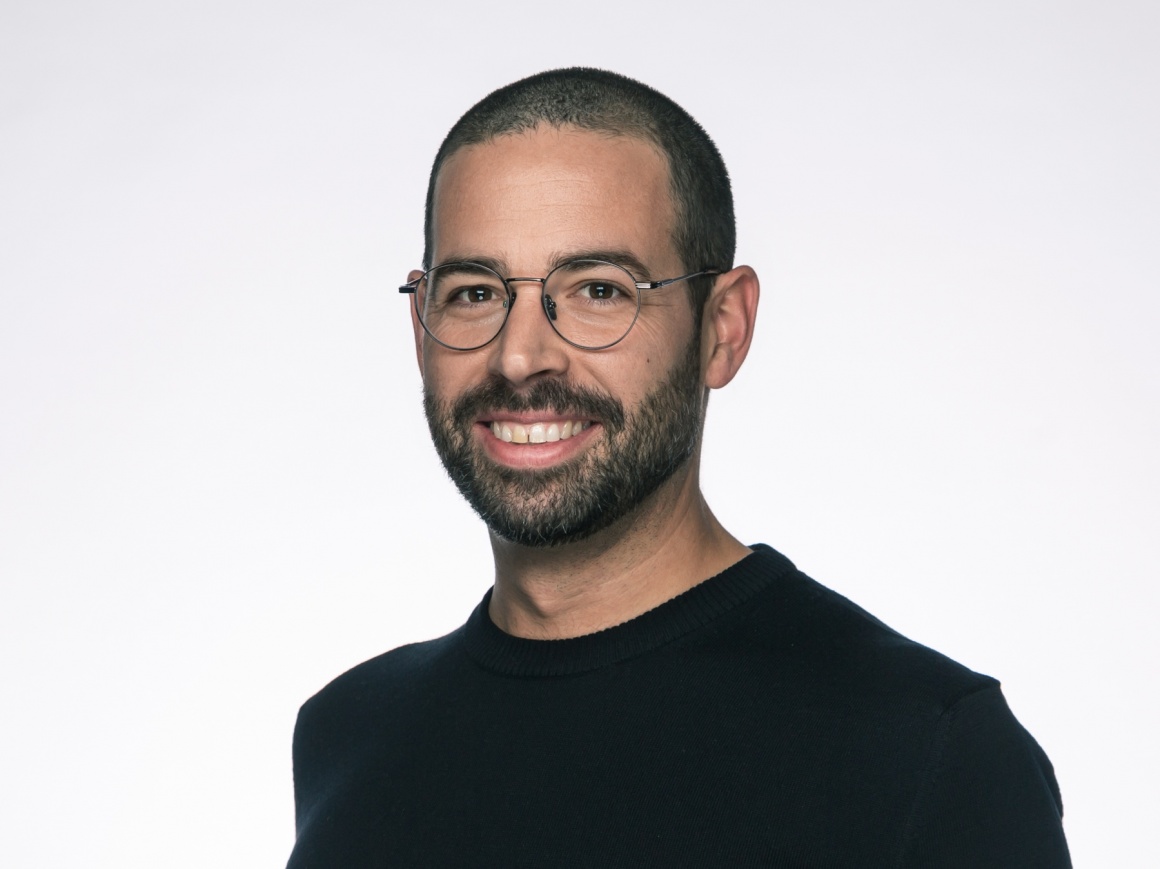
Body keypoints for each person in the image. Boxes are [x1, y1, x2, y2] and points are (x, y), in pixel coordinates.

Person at [286, 68, 1070, 867]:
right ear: (420, 326)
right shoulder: (349, 732)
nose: (520, 356)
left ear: (722, 329)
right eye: (476, 293)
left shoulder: (925, 747)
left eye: (598, 289)